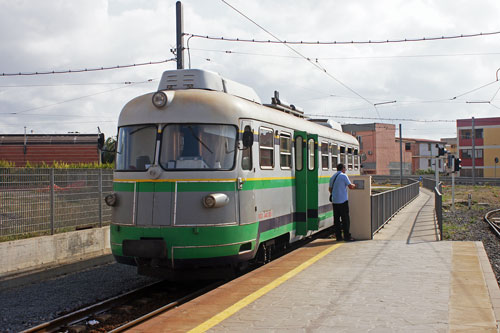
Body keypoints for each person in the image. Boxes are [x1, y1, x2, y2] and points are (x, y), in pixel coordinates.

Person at [329, 163, 356, 241]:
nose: (345, 170)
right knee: (345, 220)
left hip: (335, 202)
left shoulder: (332, 177)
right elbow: (350, 186)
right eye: (345, 168)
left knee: (336, 220)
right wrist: (355, 185)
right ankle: (347, 236)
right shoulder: (343, 176)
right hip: (343, 201)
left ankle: (338, 237)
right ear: (343, 168)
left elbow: (330, 189)